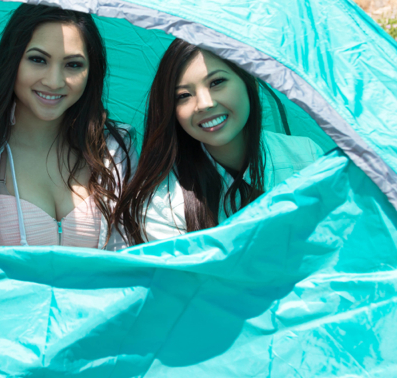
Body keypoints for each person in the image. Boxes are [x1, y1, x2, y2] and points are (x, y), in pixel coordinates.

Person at [0, 3, 132, 249]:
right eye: (38, 60)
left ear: (91, 71)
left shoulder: (114, 148)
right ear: (11, 61)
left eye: (73, 64)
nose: (54, 81)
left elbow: (131, 253)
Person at [114, 38, 323, 244]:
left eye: (217, 82)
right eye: (184, 95)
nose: (204, 104)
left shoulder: (307, 156)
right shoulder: (162, 203)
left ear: (249, 80)